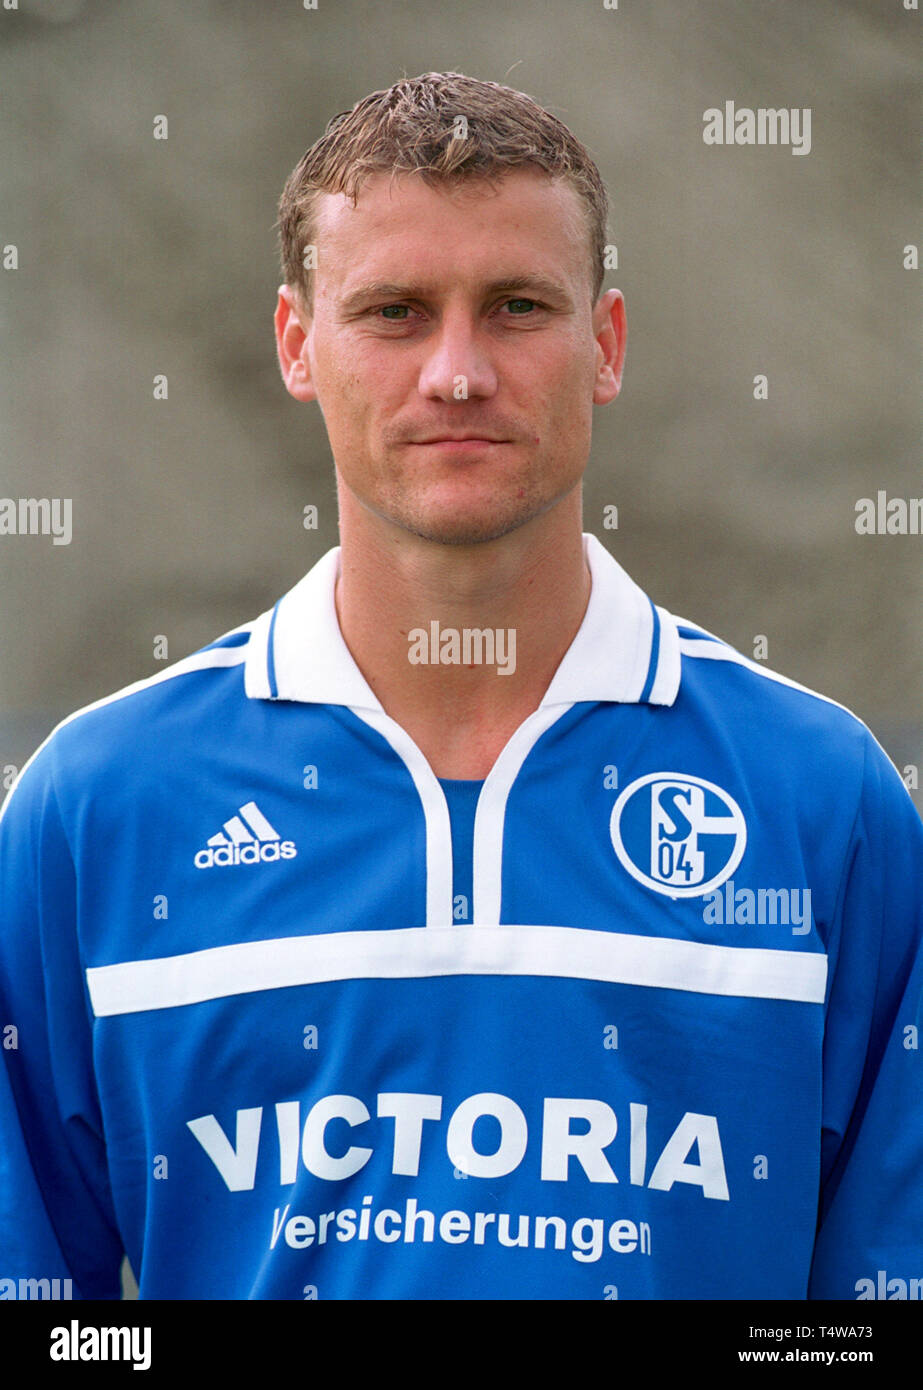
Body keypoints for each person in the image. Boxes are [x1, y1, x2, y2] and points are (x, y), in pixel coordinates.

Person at [0, 71, 920, 1303]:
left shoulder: (821, 798)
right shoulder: (96, 808)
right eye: (392, 311)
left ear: (603, 344)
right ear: (296, 344)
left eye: (516, 306)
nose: (455, 372)